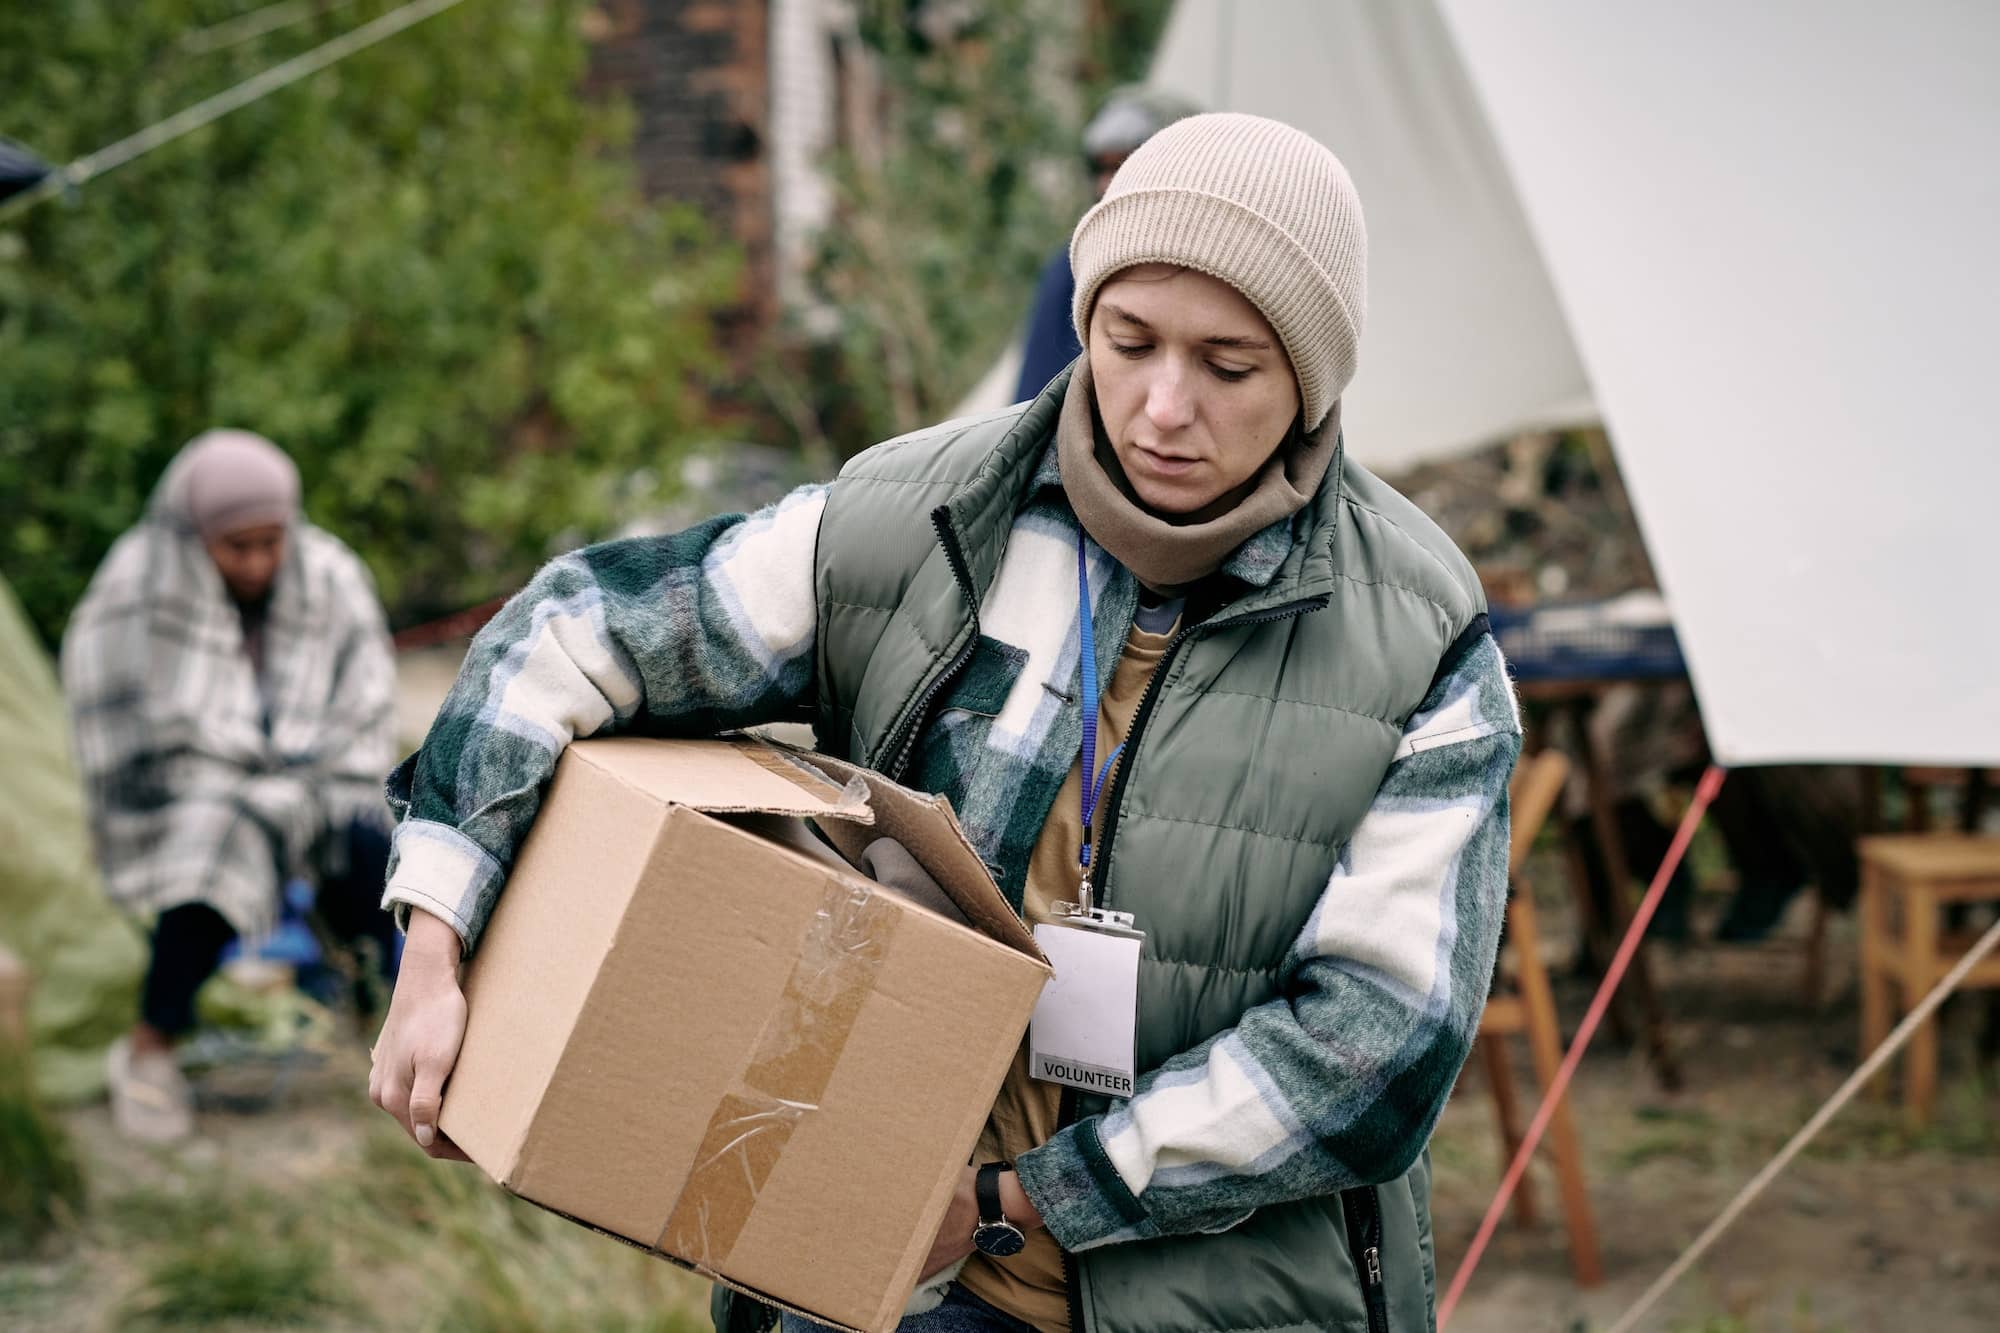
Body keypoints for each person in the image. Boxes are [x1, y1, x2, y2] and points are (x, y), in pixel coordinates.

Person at [372, 113, 1520, 1333]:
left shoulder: (1416, 640)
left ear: (1310, 379)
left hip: (1225, 1303)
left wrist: (1015, 1201)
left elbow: (1379, 1042)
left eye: (1227, 367)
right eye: (1128, 342)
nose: (1161, 406)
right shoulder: (914, 524)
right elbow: (571, 633)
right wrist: (435, 943)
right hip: (882, 1281)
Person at [63, 429, 399, 1143]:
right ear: (198, 534)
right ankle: (151, 1048)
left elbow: (365, 701)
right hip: (196, 787)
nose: (256, 562)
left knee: (371, 840)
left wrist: (297, 773)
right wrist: (248, 777)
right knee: (218, 841)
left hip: (315, 776)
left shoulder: (332, 574)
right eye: (236, 546)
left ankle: (388, 1030)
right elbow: (135, 721)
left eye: (271, 542)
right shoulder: (140, 581)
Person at [1014, 86, 1199, 402]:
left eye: (1123, 164)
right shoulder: (1074, 267)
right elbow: (1036, 401)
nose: (1106, 184)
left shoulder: (1218, 266)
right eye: (1101, 168)